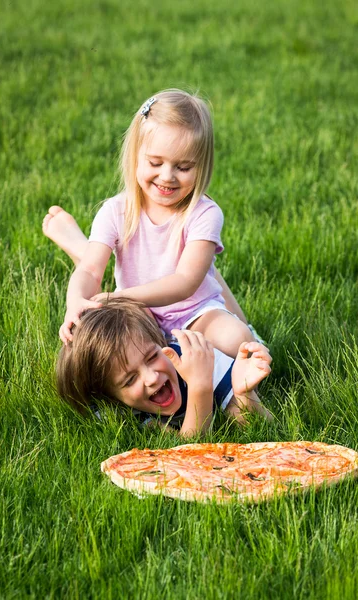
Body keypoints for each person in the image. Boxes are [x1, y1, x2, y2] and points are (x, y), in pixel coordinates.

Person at [52, 89, 263, 360]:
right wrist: (75, 304)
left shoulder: (205, 214)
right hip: (137, 314)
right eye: (155, 162)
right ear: (136, 157)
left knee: (238, 341)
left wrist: (118, 297)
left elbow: (185, 282)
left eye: (183, 167)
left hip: (194, 313)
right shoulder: (116, 211)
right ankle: (81, 246)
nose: (167, 176)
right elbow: (91, 271)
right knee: (95, 350)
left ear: (202, 167)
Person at [56, 298, 272, 436]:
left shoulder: (201, 360)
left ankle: (210, 271)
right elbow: (187, 452)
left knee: (239, 331)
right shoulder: (118, 410)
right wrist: (200, 389)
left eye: (151, 357)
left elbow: (258, 427)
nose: (151, 378)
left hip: (215, 329)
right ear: (112, 395)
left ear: (162, 342)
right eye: (130, 380)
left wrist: (244, 393)